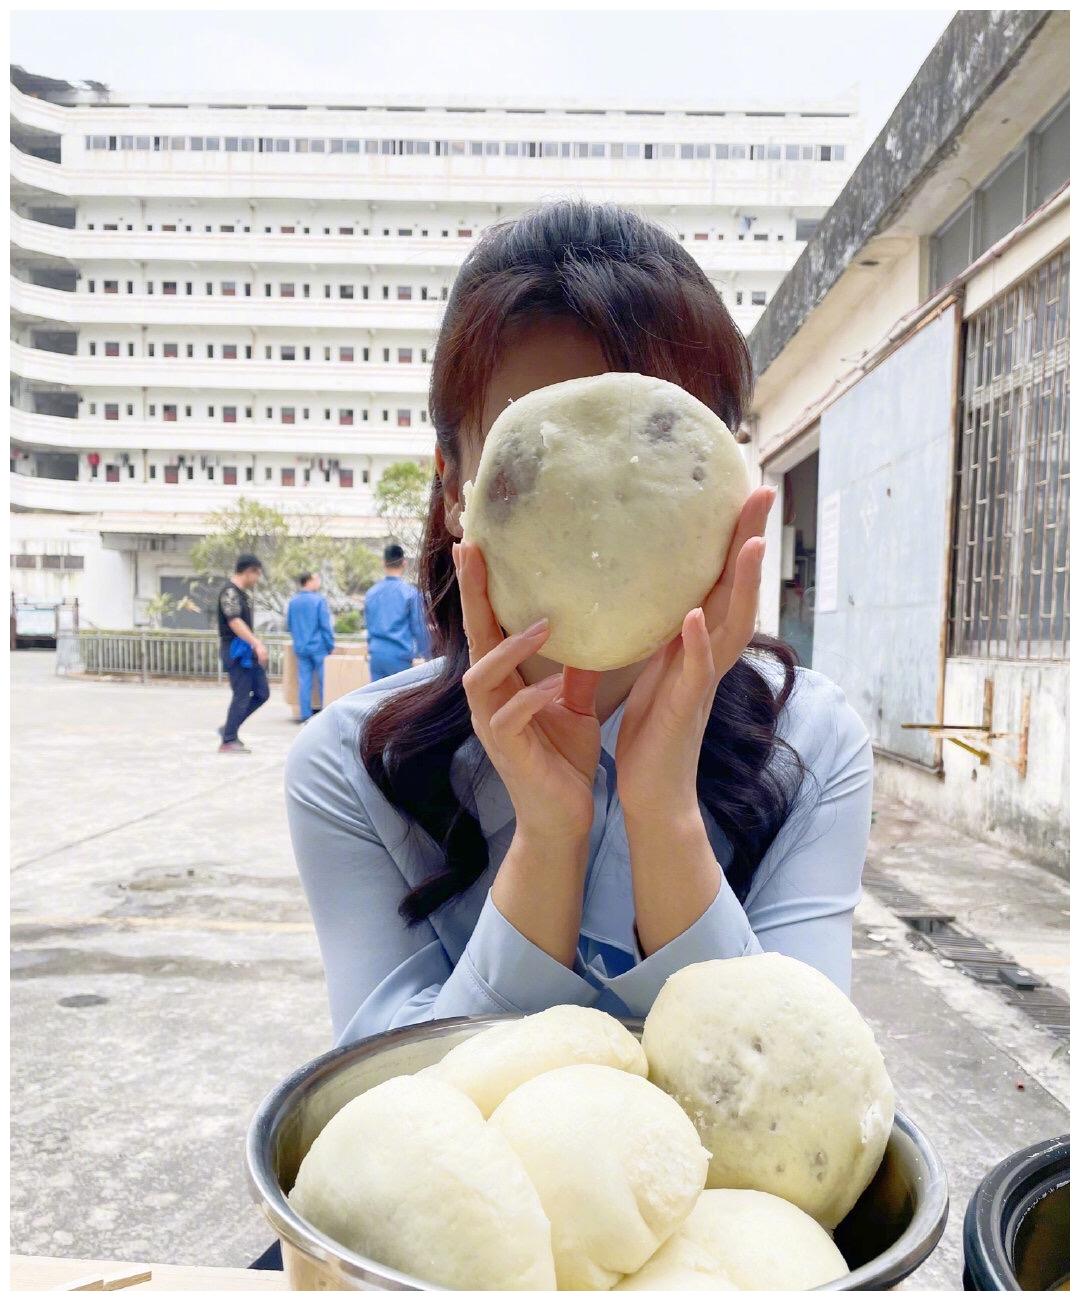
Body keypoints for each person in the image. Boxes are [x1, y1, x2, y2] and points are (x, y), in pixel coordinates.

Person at [286, 200, 873, 1051]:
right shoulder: (354, 765)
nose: (606, 510)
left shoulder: (814, 746)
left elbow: (802, 1084)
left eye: (662, 448)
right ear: (457, 489)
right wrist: (547, 840)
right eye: (544, 461)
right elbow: (395, 1117)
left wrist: (664, 812)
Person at [217, 554, 269, 754]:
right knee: (242, 694)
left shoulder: (241, 593)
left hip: (247, 650)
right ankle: (229, 739)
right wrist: (256, 644)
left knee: (262, 693)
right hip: (236, 651)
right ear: (249, 571)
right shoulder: (229, 592)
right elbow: (234, 621)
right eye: (257, 574)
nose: (257, 580)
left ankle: (229, 727)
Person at [363, 543, 432, 681]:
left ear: (383, 562)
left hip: (376, 656)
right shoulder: (410, 593)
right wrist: (427, 655)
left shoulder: (371, 593)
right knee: (400, 701)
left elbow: (369, 625)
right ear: (404, 563)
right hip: (399, 656)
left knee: (377, 700)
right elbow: (418, 627)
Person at [286, 572, 335, 723]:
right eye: (317, 579)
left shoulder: (293, 602)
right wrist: (330, 644)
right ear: (309, 581)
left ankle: (305, 715)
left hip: (300, 647)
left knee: (304, 681)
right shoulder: (318, 600)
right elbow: (325, 625)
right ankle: (324, 715)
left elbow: (289, 625)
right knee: (323, 681)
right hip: (318, 647)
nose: (319, 582)